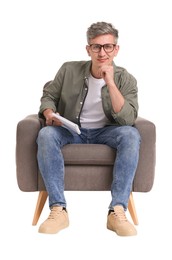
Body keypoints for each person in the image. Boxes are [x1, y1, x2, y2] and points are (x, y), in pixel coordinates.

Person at [37, 21, 141, 236]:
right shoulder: (68, 69)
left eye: (108, 46)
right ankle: (58, 209)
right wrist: (49, 113)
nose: (102, 52)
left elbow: (128, 118)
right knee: (46, 134)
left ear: (116, 49)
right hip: (71, 130)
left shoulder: (126, 79)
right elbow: (49, 96)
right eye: (96, 47)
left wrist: (110, 83)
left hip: (107, 132)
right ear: (88, 49)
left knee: (131, 134)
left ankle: (117, 211)